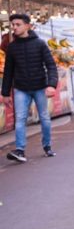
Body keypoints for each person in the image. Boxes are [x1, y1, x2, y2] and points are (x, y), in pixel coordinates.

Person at [1, 13, 58, 162]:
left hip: (40, 86)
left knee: (44, 117)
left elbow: (51, 65)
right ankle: (20, 151)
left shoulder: (40, 44)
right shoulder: (12, 48)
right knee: (20, 119)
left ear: (27, 25)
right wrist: (5, 93)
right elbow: (8, 71)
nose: (14, 27)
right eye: (12, 25)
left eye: (17, 24)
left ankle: (47, 146)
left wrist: (51, 85)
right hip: (21, 88)